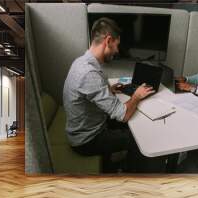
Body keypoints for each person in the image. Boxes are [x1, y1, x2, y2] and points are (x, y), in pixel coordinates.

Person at [63, 17, 164, 173]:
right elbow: (123, 115)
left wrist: (109, 90)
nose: (117, 51)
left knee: (134, 125)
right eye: (116, 45)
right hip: (86, 140)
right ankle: (131, 173)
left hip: (85, 126)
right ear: (108, 40)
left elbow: (89, 93)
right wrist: (136, 96)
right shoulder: (89, 73)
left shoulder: (81, 62)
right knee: (139, 139)